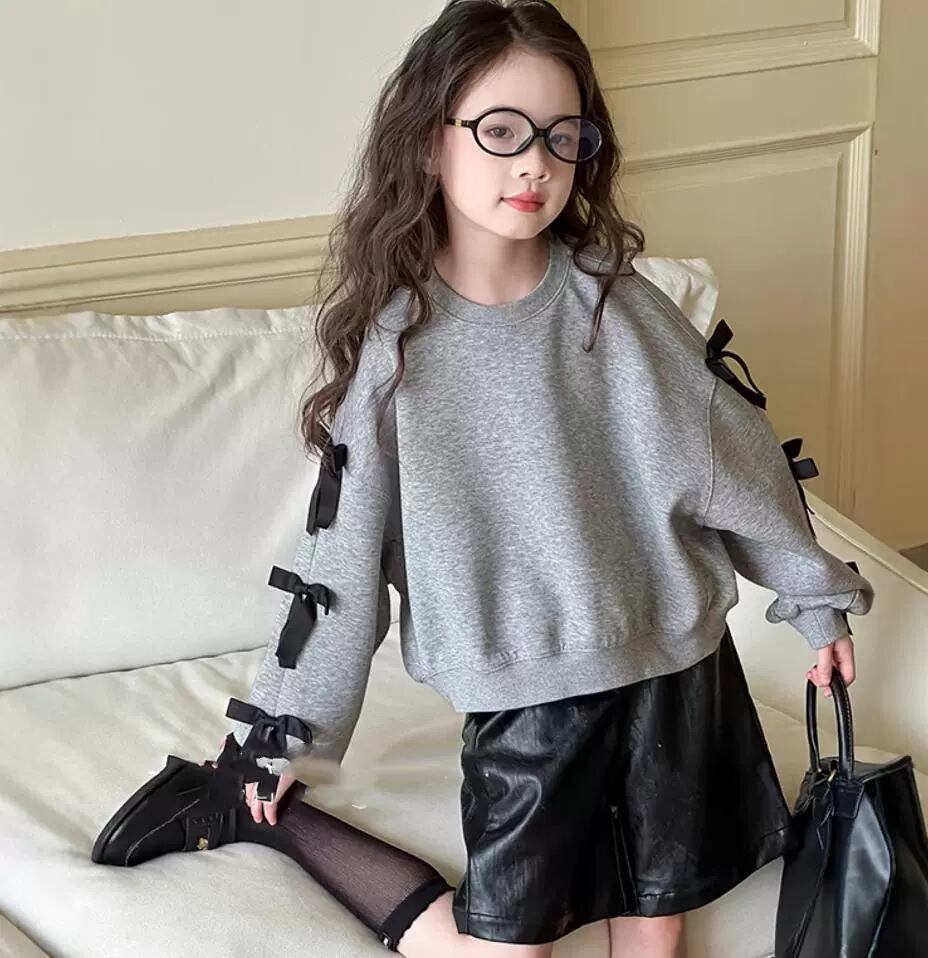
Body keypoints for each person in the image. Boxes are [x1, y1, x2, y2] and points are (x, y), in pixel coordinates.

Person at [91, 2, 874, 956]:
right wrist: (283, 734)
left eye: (563, 136)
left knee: (659, 937)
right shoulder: (400, 352)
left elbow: (736, 459)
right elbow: (342, 560)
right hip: (528, 699)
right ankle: (271, 821)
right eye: (501, 132)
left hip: (680, 674)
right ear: (431, 141)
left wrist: (815, 599)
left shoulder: (619, 307)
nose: (535, 164)